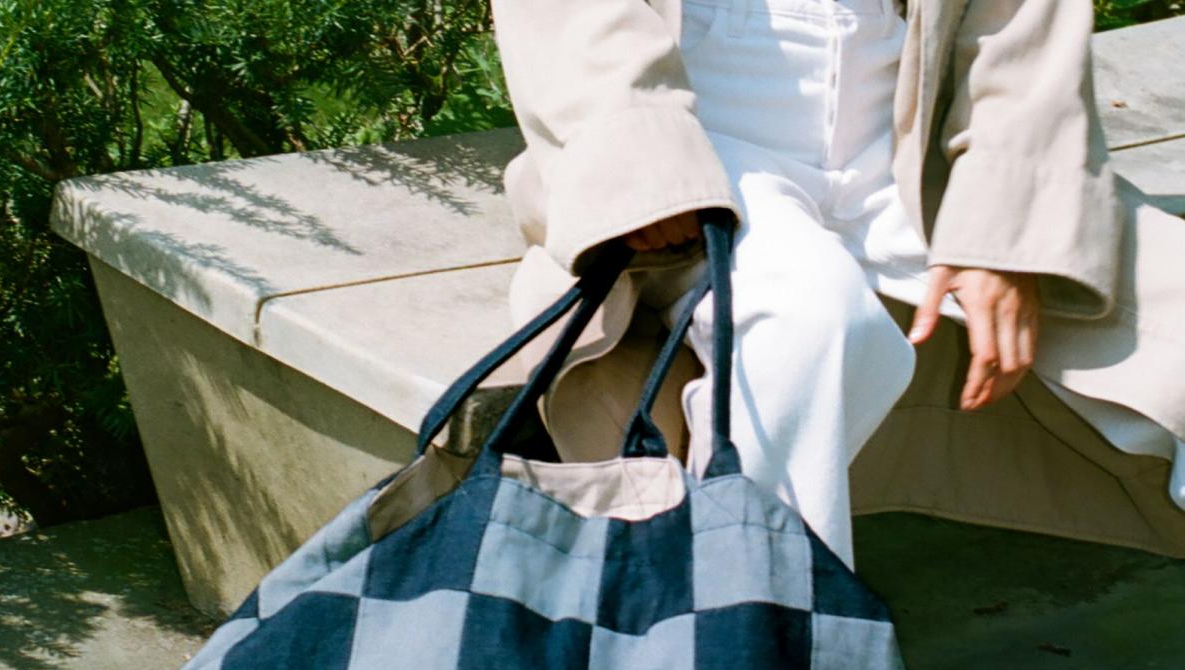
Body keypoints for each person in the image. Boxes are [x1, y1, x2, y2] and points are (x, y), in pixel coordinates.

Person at [491, 0, 1185, 569]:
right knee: (809, 325)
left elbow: (1019, 25)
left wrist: (1005, 228)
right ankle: (752, 635)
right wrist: (640, 154)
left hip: (912, 135)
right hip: (702, 131)